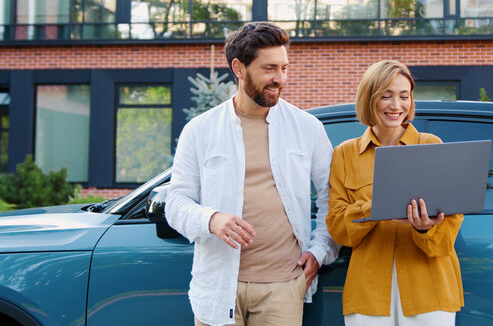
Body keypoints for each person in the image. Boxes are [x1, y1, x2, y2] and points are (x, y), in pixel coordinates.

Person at [166, 22, 340, 326]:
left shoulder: (307, 127)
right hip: (218, 287)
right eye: (269, 68)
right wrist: (212, 219)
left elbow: (333, 197)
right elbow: (176, 201)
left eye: (284, 68)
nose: (280, 79)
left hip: (283, 287)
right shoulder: (200, 130)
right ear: (239, 68)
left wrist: (320, 249)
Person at [326, 60, 464, 325]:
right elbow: (338, 228)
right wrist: (377, 205)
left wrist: (424, 229)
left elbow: (449, 229)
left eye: (404, 96)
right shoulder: (345, 153)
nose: (396, 105)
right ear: (369, 99)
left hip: (429, 289)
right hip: (368, 294)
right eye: (385, 96)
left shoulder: (431, 146)